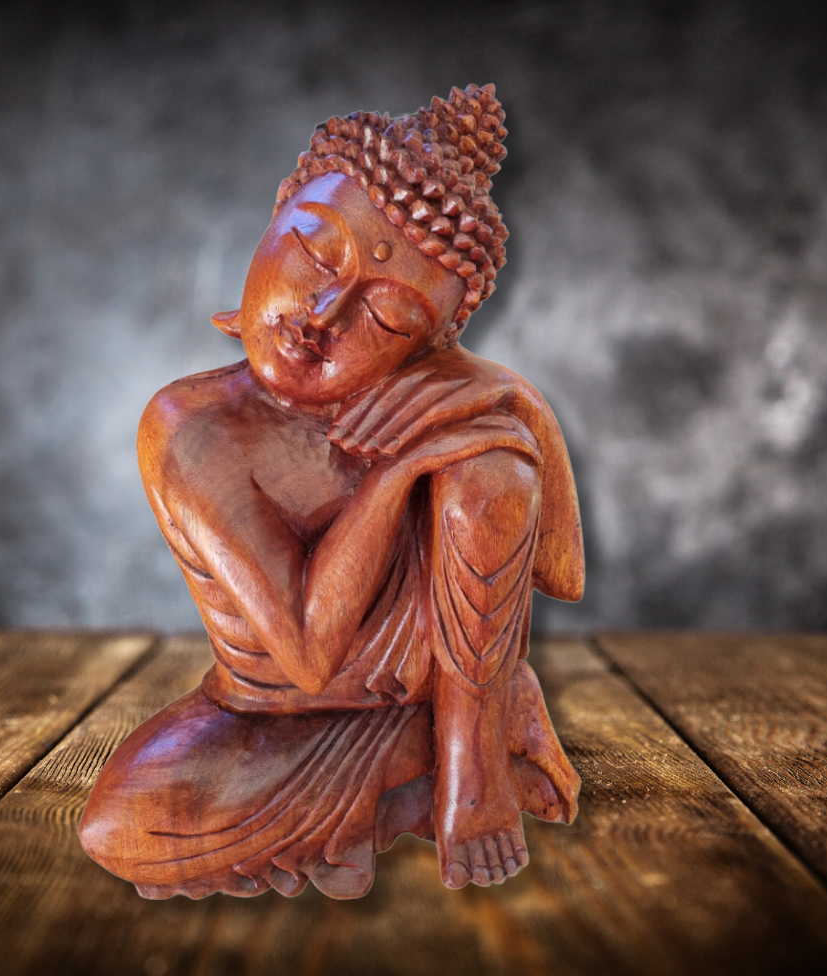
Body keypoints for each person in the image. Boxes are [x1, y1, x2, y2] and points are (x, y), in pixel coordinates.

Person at [80, 85, 584, 899]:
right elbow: (311, 658)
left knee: (492, 471)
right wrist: (394, 475)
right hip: (267, 719)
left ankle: (470, 775)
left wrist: (508, 395)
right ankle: (444, 749)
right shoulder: (189, 427)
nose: (322, 315)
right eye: (316, 254)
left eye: (386, 321)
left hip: (439, 675)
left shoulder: (429, 401)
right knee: (124, 825)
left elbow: (563, 572)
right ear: (276, 215)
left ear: (425, 346)